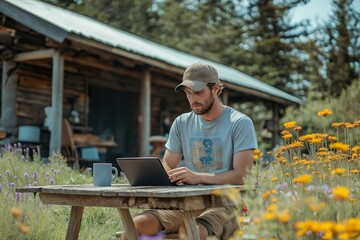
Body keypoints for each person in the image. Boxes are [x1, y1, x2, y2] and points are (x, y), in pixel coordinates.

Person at [128, 62, 258, 240]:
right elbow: (168, 163)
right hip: (187, 201)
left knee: (190, 232)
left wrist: (198, 177)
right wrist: (171, 177)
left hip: (226, 204)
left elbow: (243, 176)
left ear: (216, 89)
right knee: (137, 225)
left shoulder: (239, 123)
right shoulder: (182, 122)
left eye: (198, 92)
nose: (192, 99)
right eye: (188, 93)